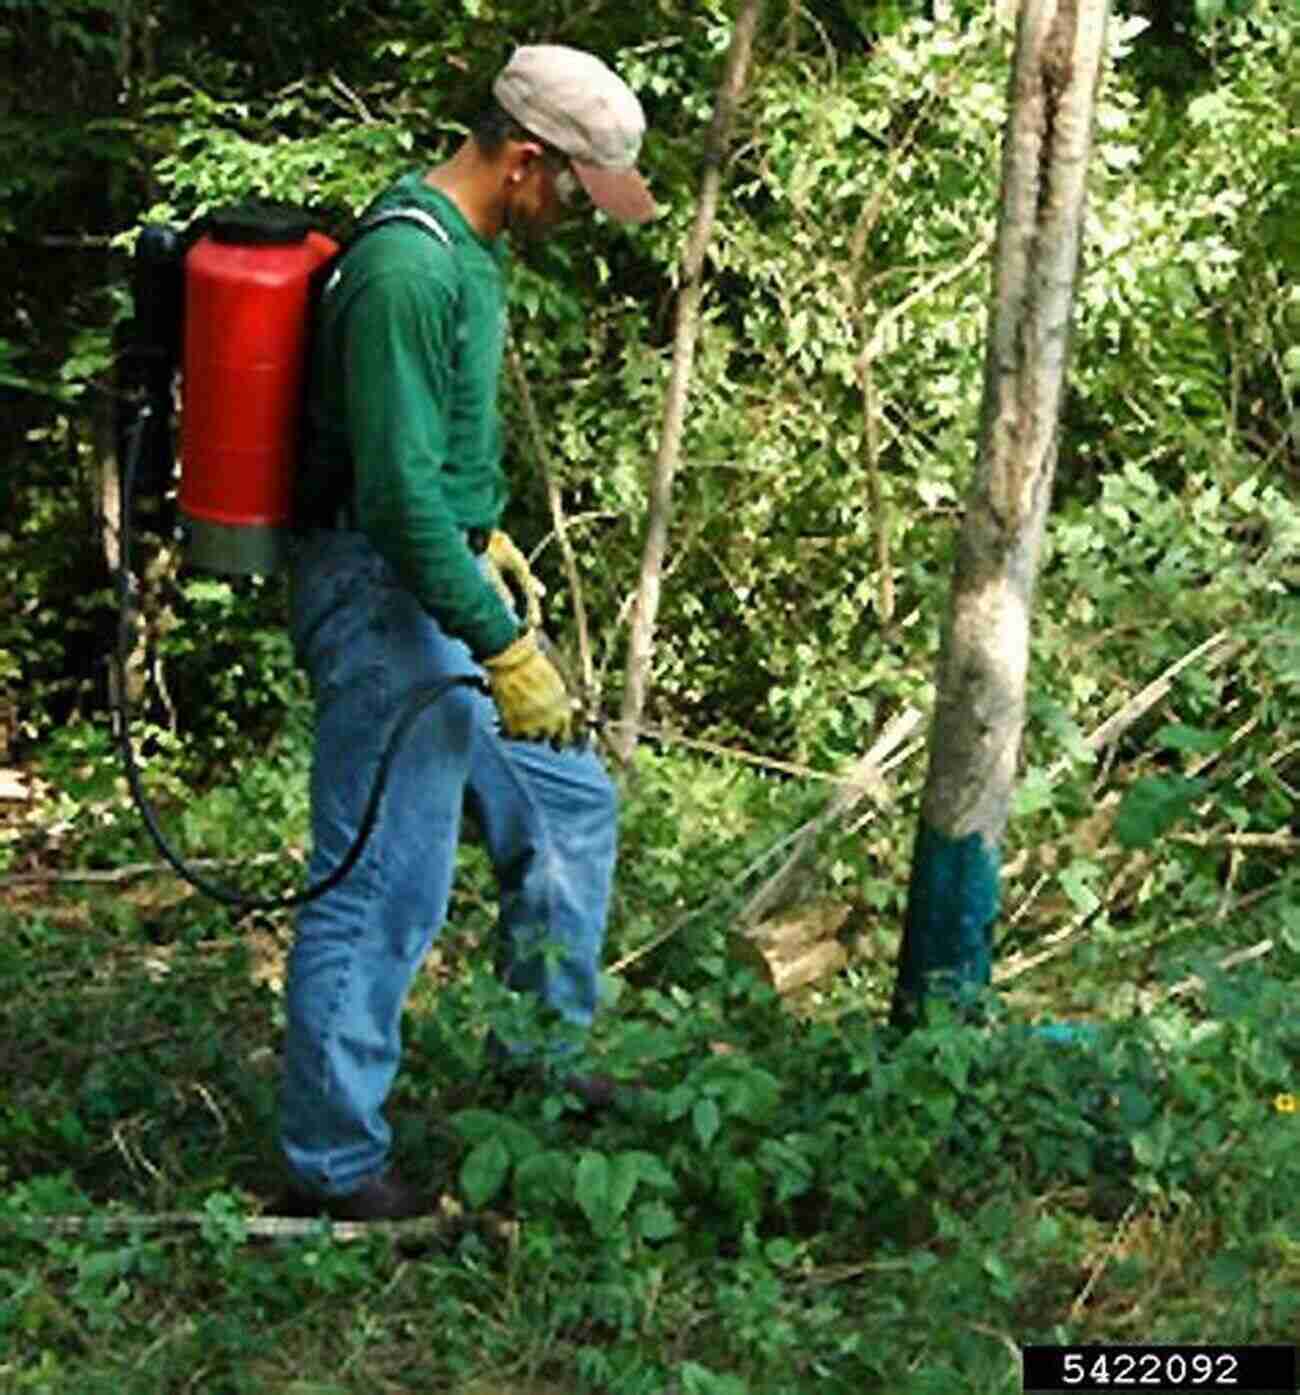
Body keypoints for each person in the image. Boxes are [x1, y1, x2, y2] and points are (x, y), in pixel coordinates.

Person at [278, 45, 656, 1221]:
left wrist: (480, 529)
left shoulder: (474, 253)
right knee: (381, 879)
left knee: (567, 807)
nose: (579, 219)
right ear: (524, 159)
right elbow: (391, 500)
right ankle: (332, 1167)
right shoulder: (406, 269)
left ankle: (539, 1065)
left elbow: (429, 467)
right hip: (382, 593)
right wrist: (500, 642)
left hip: (434, 575)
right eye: (575, 192)